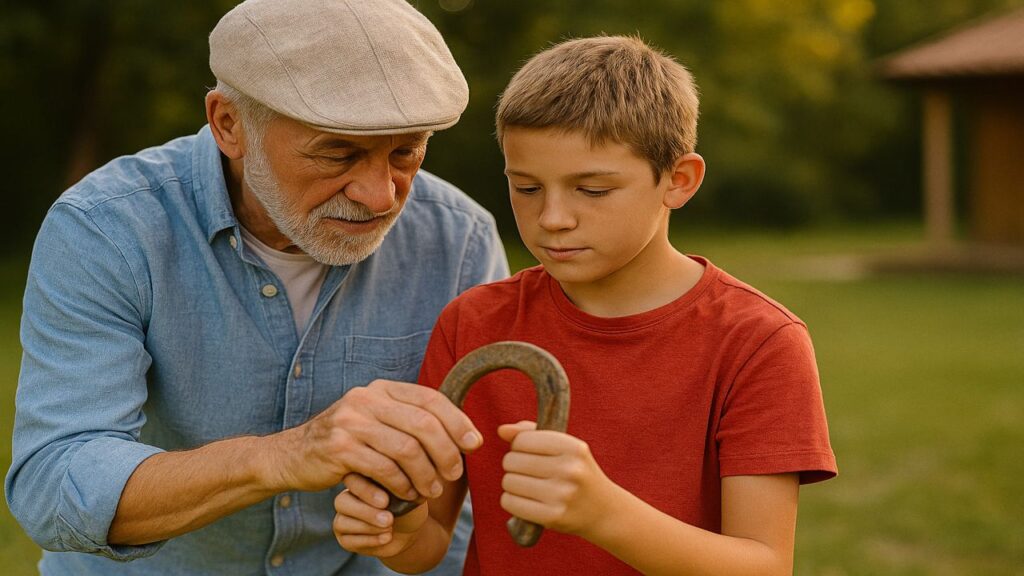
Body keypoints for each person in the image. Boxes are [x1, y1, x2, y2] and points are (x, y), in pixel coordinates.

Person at [5, 0, 509, 574]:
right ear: (228, 124)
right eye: (339, 152)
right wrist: (286, 456)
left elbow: (465, 499)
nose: (381, 196)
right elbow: (54, 483)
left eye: (405, 152)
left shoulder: (460, 240)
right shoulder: (106, 229)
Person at [332, 35, 838, 575]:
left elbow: (764, 566)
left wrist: (601, 513)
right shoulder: (474, 322)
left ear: (679, 181)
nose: (553, 217)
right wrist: (396, 530)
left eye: (591, 190)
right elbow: (429, 538)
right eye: (526, 188)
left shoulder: (758, 340)